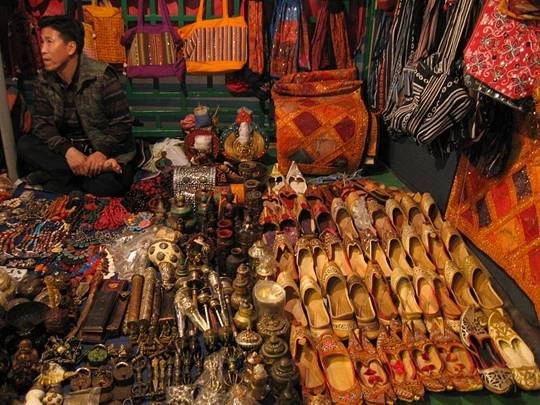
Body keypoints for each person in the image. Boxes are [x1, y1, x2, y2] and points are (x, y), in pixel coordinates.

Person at [17, 15, 136, 196]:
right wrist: (68, 150)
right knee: (25, 145)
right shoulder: (44, 80)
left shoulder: (102, 76)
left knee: (109, 185)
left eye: (49, 42)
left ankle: (66, 179)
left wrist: (102, 153)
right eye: (42, 42)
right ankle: (85, 175)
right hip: (69, 153)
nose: (42, 50)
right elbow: (42, 124)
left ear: (71, 47)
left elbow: (122, 124)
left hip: (102, 150)